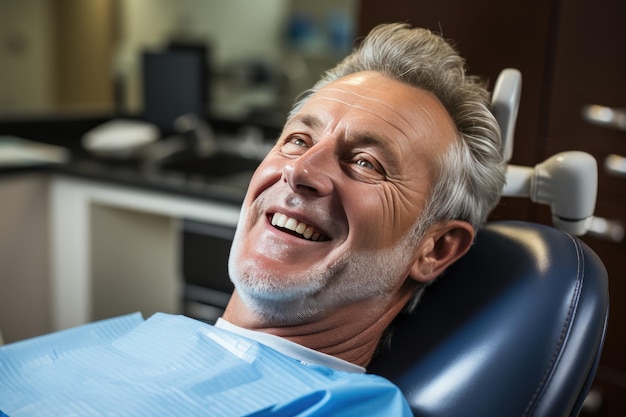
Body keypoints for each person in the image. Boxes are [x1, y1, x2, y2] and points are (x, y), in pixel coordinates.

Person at [0, 23, 505, 416]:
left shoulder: (345, 408)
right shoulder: (153, 337)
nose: (301, 171)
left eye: (366, 163)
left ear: (434, 249)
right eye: (298, 140)